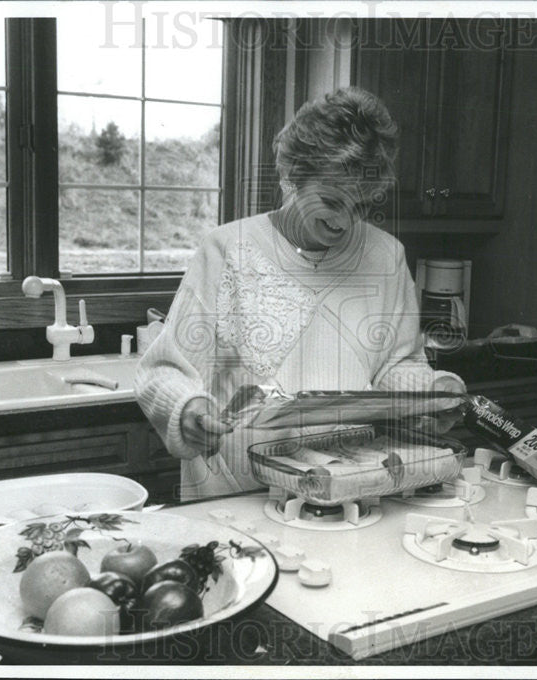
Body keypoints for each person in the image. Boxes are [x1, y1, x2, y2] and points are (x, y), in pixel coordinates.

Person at [135, 87, 465, 500]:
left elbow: (395, 365)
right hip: (239, 493)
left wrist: (431, 392)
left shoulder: (386, 255)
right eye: (331, 200)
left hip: (350, 489)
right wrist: (186, 410)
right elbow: (163, 370)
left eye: (361, 206)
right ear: (292, 174)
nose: (345, 222)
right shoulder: (227, 250)